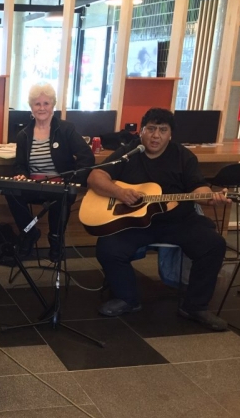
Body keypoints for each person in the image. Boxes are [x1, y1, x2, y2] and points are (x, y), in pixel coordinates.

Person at [86, 108, 229, 331]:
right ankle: (128, 299)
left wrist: (210, 197)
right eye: (151, 129)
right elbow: (95, 176)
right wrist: (119, 192)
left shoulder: (183, 156)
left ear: (170, 134)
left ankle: (195, 306)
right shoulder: (130, 152)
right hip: (137, 223)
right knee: (107, 247)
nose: (155, 136)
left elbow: (198, 186)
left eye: (163, 130)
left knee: (214, 244)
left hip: (178, 221)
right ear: (141, 131)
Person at [7, 82, 95, 260]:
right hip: (34, 185)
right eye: (37, 104)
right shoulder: (23, 135)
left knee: (61, 196)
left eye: (46, 103)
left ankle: (56, 240)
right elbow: (20, 165)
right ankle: (30, 233)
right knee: (11, 190)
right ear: (31, 107)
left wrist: (73, 180)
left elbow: (87, 157)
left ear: (53, 106)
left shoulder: (66, 129)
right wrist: (21, 175)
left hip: (60, 184)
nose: (41, 108)